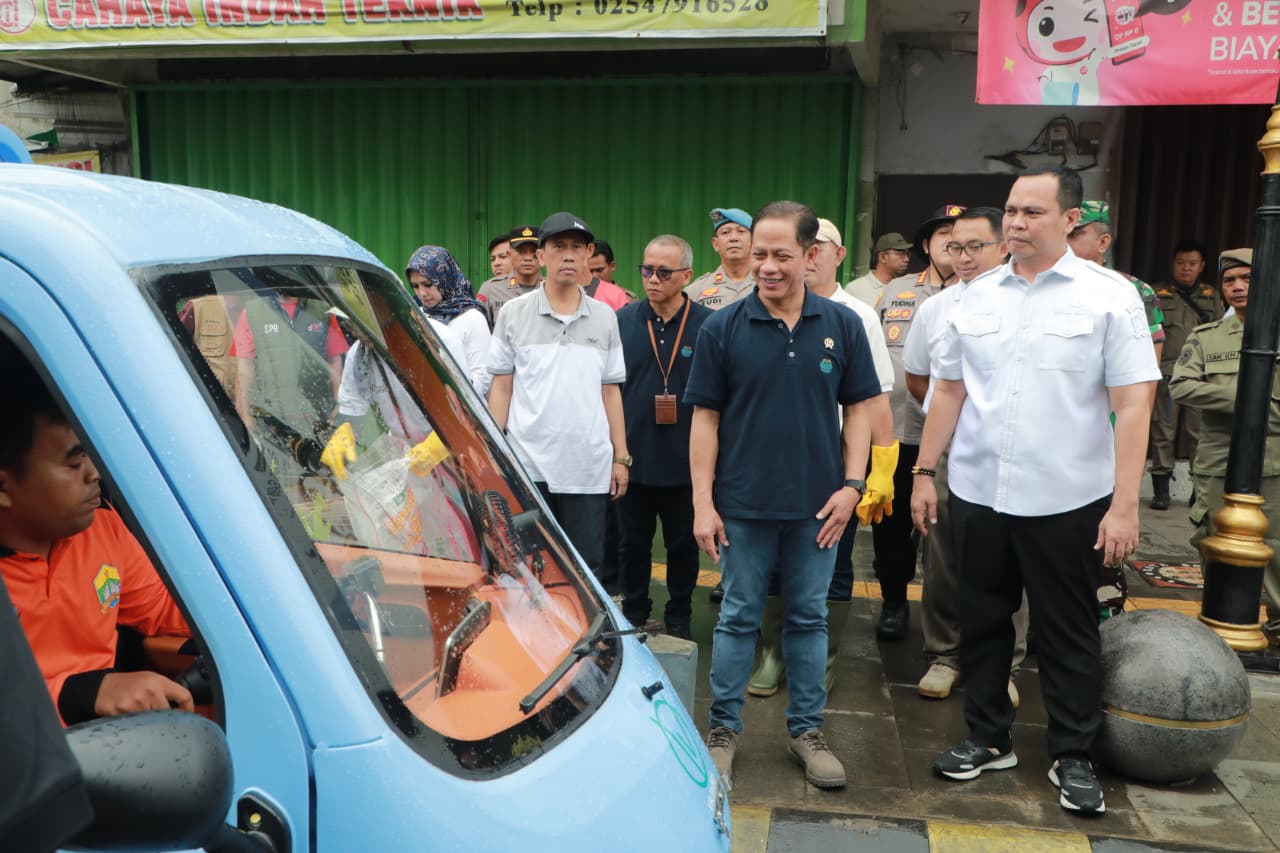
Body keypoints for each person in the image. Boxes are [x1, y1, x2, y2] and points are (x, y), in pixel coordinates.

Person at [911, 165, 1159, 815]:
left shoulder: (1109, 296)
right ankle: (988, 736)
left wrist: (1124, 504)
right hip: (979, 489)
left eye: (1033, 212)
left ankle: (1072, 752)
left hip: (1068, 496)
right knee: (982, 621)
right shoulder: (973, 297)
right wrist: (924, 472)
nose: (1016, 223)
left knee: (1066, 629)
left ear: (1071, 218)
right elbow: (950, 391)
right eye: (1012, 210)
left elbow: (1133, 403)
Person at [689, 200, 880, 791]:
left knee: (808, 617)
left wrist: (853, 486)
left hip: (818, 508)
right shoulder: (722, 327)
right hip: (743, 505)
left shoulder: (842, 323)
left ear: (810, 255)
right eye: (760, 254)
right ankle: (723, 731)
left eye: (781, 255)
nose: (767, 266)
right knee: (737, 617)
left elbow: (860, 411)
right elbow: (704, 420)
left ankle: (806, 731)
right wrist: (703, 503)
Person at [746, 216, 896, 699]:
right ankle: (773, 653)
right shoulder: (759, 309)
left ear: (832, 253)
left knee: (834, 561)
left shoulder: (857, 316)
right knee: (772, 563)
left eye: (819, 246)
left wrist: (880, 469)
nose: (808, 257)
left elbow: (874, 399)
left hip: (834, 465)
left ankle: (822, 659)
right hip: (770, 462)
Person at [0, 357, 194, 726]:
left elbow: (165, 608)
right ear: (3, 487)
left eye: (90, 454)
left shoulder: (102, 530)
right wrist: (81, 695)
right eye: (74, 465)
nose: (95, 474)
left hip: (106, 743)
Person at [901, 206, 1027, 704]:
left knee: (1009, 557)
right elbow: (918, 378)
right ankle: (945, 654)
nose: (964, 257)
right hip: (951, 446)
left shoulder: (1027, 304)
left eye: (976, 246)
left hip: (1013, 446)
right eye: (956, 247)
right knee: (943, 553)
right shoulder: (937, 308)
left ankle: (1003, 663)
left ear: (1004, 247)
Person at [486, 212, 630, 580]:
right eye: (559, 246)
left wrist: (620, 457)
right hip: (527, 465)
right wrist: (493, 454)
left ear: (588, 255)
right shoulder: (513, 314)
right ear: (541, 255)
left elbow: (610, 390)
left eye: (577, 247)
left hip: (587, 467)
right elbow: (501, 386)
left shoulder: (605, 317)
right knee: (527, 569)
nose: (568, 255)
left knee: (585, 569)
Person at [1171, 249, 1280, 632]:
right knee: (1213, 539)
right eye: (1230, 280)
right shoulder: (1208, 336)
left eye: (1247, 279)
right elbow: (1181, 385)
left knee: (1277, 544)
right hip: (1220, 458)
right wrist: (1243, 400)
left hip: (1275, 459)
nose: (1238, 287)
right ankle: (1218, 618)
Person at [869, 204, 964, 642]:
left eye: (958, 234)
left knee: (945, 528)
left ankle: (946, 615)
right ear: (926, 244)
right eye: (942, 233)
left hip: (953, 438)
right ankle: (893, 600)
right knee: (891, 525)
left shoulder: (981, 293)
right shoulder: (896, 291)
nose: (951, 240)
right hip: (898, 430)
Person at [614, 235, 711, 640]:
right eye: (647, 270)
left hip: (686, 460)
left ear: (687, 276)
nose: (653, 279)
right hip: (634, 457)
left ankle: (679, 614)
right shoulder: (622, 322)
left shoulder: (708, 325)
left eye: (664, 272)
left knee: (683, 545)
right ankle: (634, 613)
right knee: (632, 543)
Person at [1151, 239, 1222, 510]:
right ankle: (1161, 491)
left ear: (1202, 266)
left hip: (1199, 378)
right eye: (1180, 263)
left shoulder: (1211, 296)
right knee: (1163, 431)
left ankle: (1198, 491)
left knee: (1199, 434)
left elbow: (1219, 334)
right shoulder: (1158, 294)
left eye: (1192, 263)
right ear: (1173, 264)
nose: (1186, 268)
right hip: (1167, 376)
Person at [405, 245, 493, 394]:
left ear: (445, 278)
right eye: (415, 286)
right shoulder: (417, 314)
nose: (422, 293)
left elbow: (483, 381)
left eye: (428, 284)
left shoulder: (472, 318)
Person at [686, 207, 756, 310]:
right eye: (725, 232)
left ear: (754, 241)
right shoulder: (696, 290)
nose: (733, 238)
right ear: (715, 244)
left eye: (741, 231)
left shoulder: (768, 284)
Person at [476, 225, 543, 329]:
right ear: (510, 254)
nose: (528, 258)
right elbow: (478, 331)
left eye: (534, 252)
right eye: (521, 252)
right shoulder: (490, 290)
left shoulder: (554, 289)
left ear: (542, 255)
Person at [846, 232, 913, 309]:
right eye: (900, 254)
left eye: (907, 254)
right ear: (882, 257)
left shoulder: (906, 289)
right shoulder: (855, 289)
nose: (906, 259)